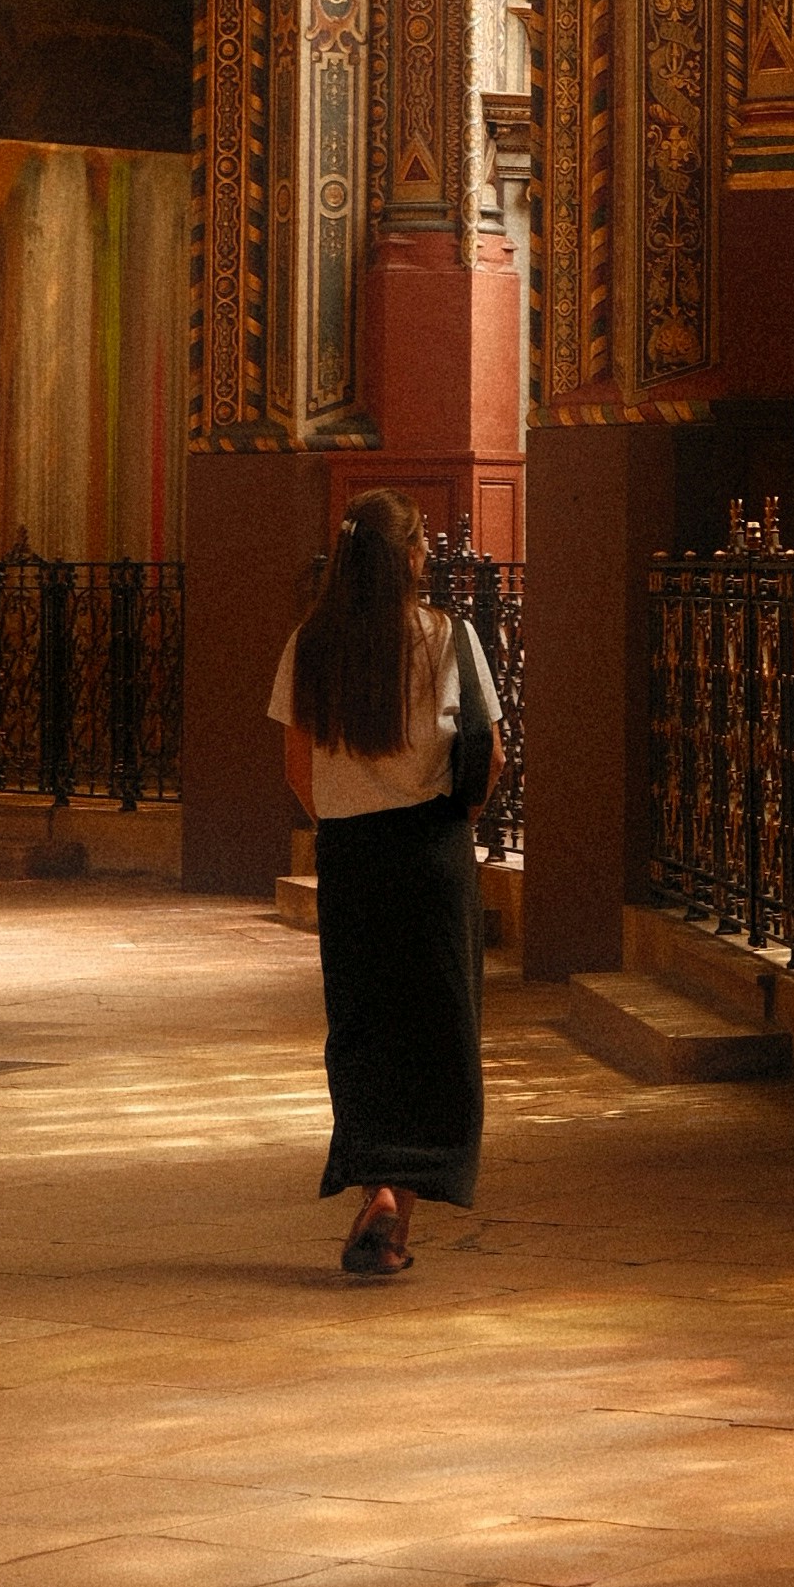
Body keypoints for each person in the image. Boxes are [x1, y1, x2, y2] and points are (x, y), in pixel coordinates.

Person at [269, 489, 501, 1277]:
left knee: (364, 1027)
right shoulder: (447, 637)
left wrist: (345, 820)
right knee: (438, 1032)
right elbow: (490, 756)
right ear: (407, 558)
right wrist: (452, 815)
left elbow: (298, 768)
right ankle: (399, 1210)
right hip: (432, 852)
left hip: (353, 859)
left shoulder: (311, 644)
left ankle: (376, 1183)